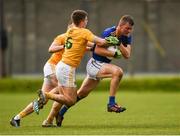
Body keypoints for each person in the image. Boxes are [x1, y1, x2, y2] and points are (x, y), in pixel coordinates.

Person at [42, 15, 134, 127]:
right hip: (95, 64)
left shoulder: (127, 36)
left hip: (102, 66)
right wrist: (113, 53)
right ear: (120, 26)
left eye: (131, 29)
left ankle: (60, 113)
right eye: (127, 28)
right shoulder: (108, 32)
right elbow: (97, 49)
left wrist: (119, 44)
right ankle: (111, 103)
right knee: (118, 72)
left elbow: (127, 55)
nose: (130, 31)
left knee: (80, 95)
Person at [10, 33, 66, 127]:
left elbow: (86, 47)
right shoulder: (62, 37)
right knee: (64, 91)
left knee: (41, 102)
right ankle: (51, 118)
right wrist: (64, 46)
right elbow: (51, 49)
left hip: (55, 70)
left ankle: (16, 118)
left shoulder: (76, 38)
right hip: (52, 67)